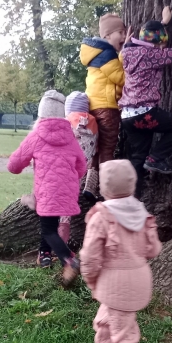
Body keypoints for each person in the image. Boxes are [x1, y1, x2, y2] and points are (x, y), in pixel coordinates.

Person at [74, 159, 162, 343]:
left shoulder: (102, 215)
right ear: (132, 184)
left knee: (124, 336)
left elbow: (90, 257)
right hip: (140, 279)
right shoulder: (140, 211)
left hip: (115, 284)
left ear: (104, 187)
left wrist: (91, 280)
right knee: (106, 319)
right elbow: (153, 249)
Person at [7, 90, 86, 285]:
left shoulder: (36, 136)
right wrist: (69, 179)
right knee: (51, 223)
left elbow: (14, 165)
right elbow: (82, 166)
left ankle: (69, 259)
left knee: (48, 230)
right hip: (68, 192)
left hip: (47, 192)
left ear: (41, 115)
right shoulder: (70, 137)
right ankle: (45, 255)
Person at [119, 6, 172, 196]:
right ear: (157, 43)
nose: (163, 48)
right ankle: (156, 158)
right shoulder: (151, 55)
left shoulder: (128, 51)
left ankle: (133, 199)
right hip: (145, 113)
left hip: (127, 116)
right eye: (162, 44)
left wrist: (163, 23)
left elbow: (149, 41)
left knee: (138, 157)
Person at [80, 13, 127, 199]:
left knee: (96, 148)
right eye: (120, 32)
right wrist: (124, 53)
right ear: (107, 35)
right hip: (107, 108)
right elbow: (121, 78)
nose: (124, 36)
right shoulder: (107, 54)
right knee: (107, 148)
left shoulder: (95, 53)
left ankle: (90, 186)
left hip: (93, 106)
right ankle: (107, 190)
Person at [59, 91, 99, 243]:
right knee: (93, 163)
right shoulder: (93, 122)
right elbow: (96, 147)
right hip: (84, 164)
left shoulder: (66, 122)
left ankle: (62, 236)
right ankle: (90, 186)